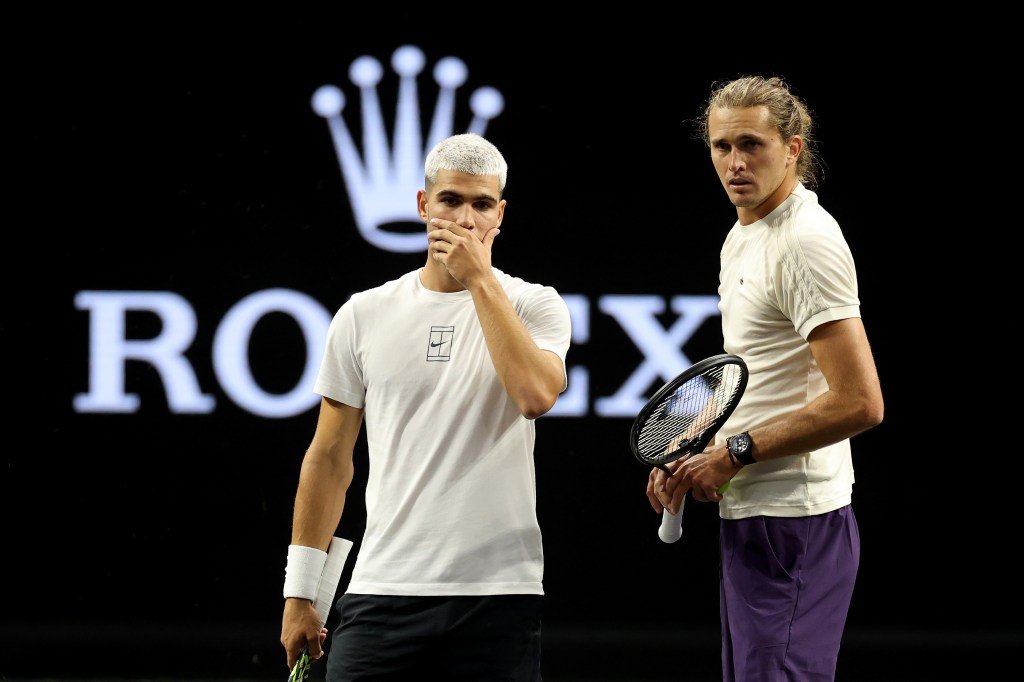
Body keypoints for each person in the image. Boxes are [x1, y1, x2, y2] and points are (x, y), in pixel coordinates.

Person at [280, 133, 570, 680]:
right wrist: (301, 592)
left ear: (500, 215)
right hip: (381, 587)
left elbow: (535, 396)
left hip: (498, 594)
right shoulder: (363, 313)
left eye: (482, 205)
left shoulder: (535, 304)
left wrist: (479, 279)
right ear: (422, 205)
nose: (465, 219)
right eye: (451, 201)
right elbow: (329, 459)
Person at [647, 76, 884, 681]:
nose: (735, 162)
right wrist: (692, 448)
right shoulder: (744, 232)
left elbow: (860, 402)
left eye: (751, 144)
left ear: (794, 148)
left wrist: (736, 453)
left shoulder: (805, 241)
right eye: (721, 147)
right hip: (753, 513)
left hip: (797, 525)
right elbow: (758, 376)